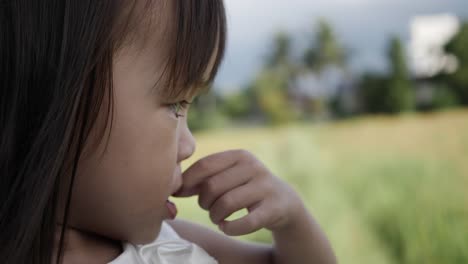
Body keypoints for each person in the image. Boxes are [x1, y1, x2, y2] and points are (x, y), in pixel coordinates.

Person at [0, 1, 337, 263]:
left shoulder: (172, 247)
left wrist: (291, 219)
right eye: (175, 103)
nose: (189, 145)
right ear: (53, 94)